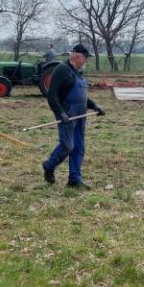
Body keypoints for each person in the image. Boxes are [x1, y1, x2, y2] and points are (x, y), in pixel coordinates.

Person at [42, 44, 105, 189]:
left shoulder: (79, 72)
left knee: (78, 147)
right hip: (67, 114)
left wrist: (95, 106)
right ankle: (49, 166)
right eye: (85, 58)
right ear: (76, 57)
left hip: (80, 115)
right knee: (67, 146)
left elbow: (82, 97)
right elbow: (51, 94)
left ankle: (74, 180)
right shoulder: (62, 70)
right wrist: (60, 112)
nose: (86, 61)